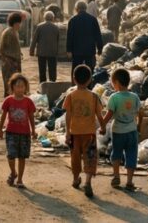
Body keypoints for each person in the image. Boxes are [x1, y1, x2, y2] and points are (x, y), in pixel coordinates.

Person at [101, 69, 142, 191]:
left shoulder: (114, 97)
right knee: (131, 155)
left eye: (113, 82)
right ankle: (129, 181)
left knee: (116, 154)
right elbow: (141, 113)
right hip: (132, 131)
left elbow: (109, 115)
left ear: (117, 82)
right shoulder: (134, 97)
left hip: (118, 131)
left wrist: (102, 126)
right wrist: (138, 126)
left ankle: (116, 176)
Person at [65, 64, 102, 198]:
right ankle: (87, 182)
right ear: (90, 79)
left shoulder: (70, 95)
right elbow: (99, 114)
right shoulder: (94, 96)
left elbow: (67, 115)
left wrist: (67, 132)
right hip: (89, 134)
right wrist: (103, 127)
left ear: (74, 79)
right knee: (90, 157)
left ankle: (75, 180)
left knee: (75, 158)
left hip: (75, 133)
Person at [0, 73, 36, 189]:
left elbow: (31, 117)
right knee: (11, 155)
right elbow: (3, 116)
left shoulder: (28, 102)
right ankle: (13, 172)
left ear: (26, 88)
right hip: (11, 132)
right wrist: (0, 129)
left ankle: (20, 179)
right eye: (18, 86)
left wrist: (33, 130)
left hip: (24, 133)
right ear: (12, 87)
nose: (20, 89)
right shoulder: (8, 101)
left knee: (22, 157)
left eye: (22, 86)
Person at [66, 1, 103, 73]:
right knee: (90, 70)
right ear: (86, 8)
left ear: (76, 9)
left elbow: (69, 36)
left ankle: (75, 83)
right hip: (90, 50)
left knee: (76, 70)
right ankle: (89, 83)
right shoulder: (93, 19)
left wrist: (69, 50)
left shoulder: (73, 20)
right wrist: (100, 48)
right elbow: (98, 35)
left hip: (77, 50)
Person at [0, 12, 24, 96]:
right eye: (19, 23)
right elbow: (2, 50)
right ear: (15, 23)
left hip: (15, 63)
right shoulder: (9, 33)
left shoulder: (15, 32)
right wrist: (10, 61)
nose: (20, 25)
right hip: (9, 64)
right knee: (9, 85)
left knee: (15, 84)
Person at [30, 11, 61, 83]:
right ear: (53, 18)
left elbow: (34, 40)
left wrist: (31, 50)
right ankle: (52, 83)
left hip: (41, 52)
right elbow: (58, 40)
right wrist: (58, 52)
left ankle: (42, 84)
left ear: (44, 18)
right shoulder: (56, 28)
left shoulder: (39, 26)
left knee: (42, 70)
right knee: (52, 70)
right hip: (52, 52)